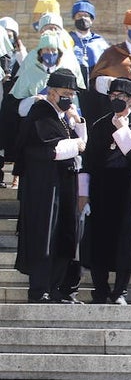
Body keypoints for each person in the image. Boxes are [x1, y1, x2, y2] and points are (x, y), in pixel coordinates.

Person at [14, 68, 85, 303]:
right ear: (51, 93)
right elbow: (52, 149)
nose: (69, 98)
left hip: (62, 184)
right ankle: (40, 289)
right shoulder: (41, 113)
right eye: (65, 93)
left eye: (72, 94)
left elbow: (81, 146)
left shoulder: (61, 118)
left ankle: (55, 287)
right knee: (44, 236)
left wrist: (77, 123)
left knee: (64, 235)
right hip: (43, 186)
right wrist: (76, 144)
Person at [79, 78, 131, 304]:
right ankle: (100, 290)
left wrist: (123, 129)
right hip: (101, 188)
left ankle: (120, 291)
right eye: (112, 96)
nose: (116, 100)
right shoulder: (100, 124)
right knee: (98, 241)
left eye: (121, 97)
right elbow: (88, 160)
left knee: (125, 241)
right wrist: (83, 192)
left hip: (127, 187)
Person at [69, 0, 110, 87]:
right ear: (74, 18)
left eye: (86, 15)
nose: (83, 18)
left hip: (95, 86)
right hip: (72, 84)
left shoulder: (100, 42)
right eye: (79, 15)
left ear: (91, 19)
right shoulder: (67, 39)